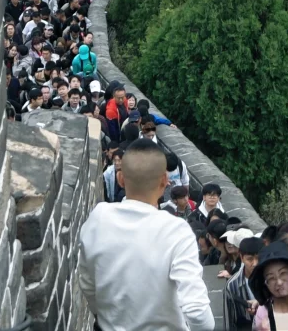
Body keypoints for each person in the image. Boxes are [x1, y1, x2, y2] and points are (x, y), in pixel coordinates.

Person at [78, 140, 214, 331]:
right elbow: (198, 312)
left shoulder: (98, 219)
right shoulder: (176, 231)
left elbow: (87, 283)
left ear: (121, 179)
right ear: (164, 181)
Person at [250, 240, 288, 331]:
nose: (279, 282)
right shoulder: (263, 313)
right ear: (265, 283)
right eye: (271, 278)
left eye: (283, 273)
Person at [225, 235, 263, 330]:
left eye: (258, 258)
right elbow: (232, 320)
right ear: (241, 258)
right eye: (250, 259)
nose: (255, 263)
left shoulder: (270, 278)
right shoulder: (232, 285)